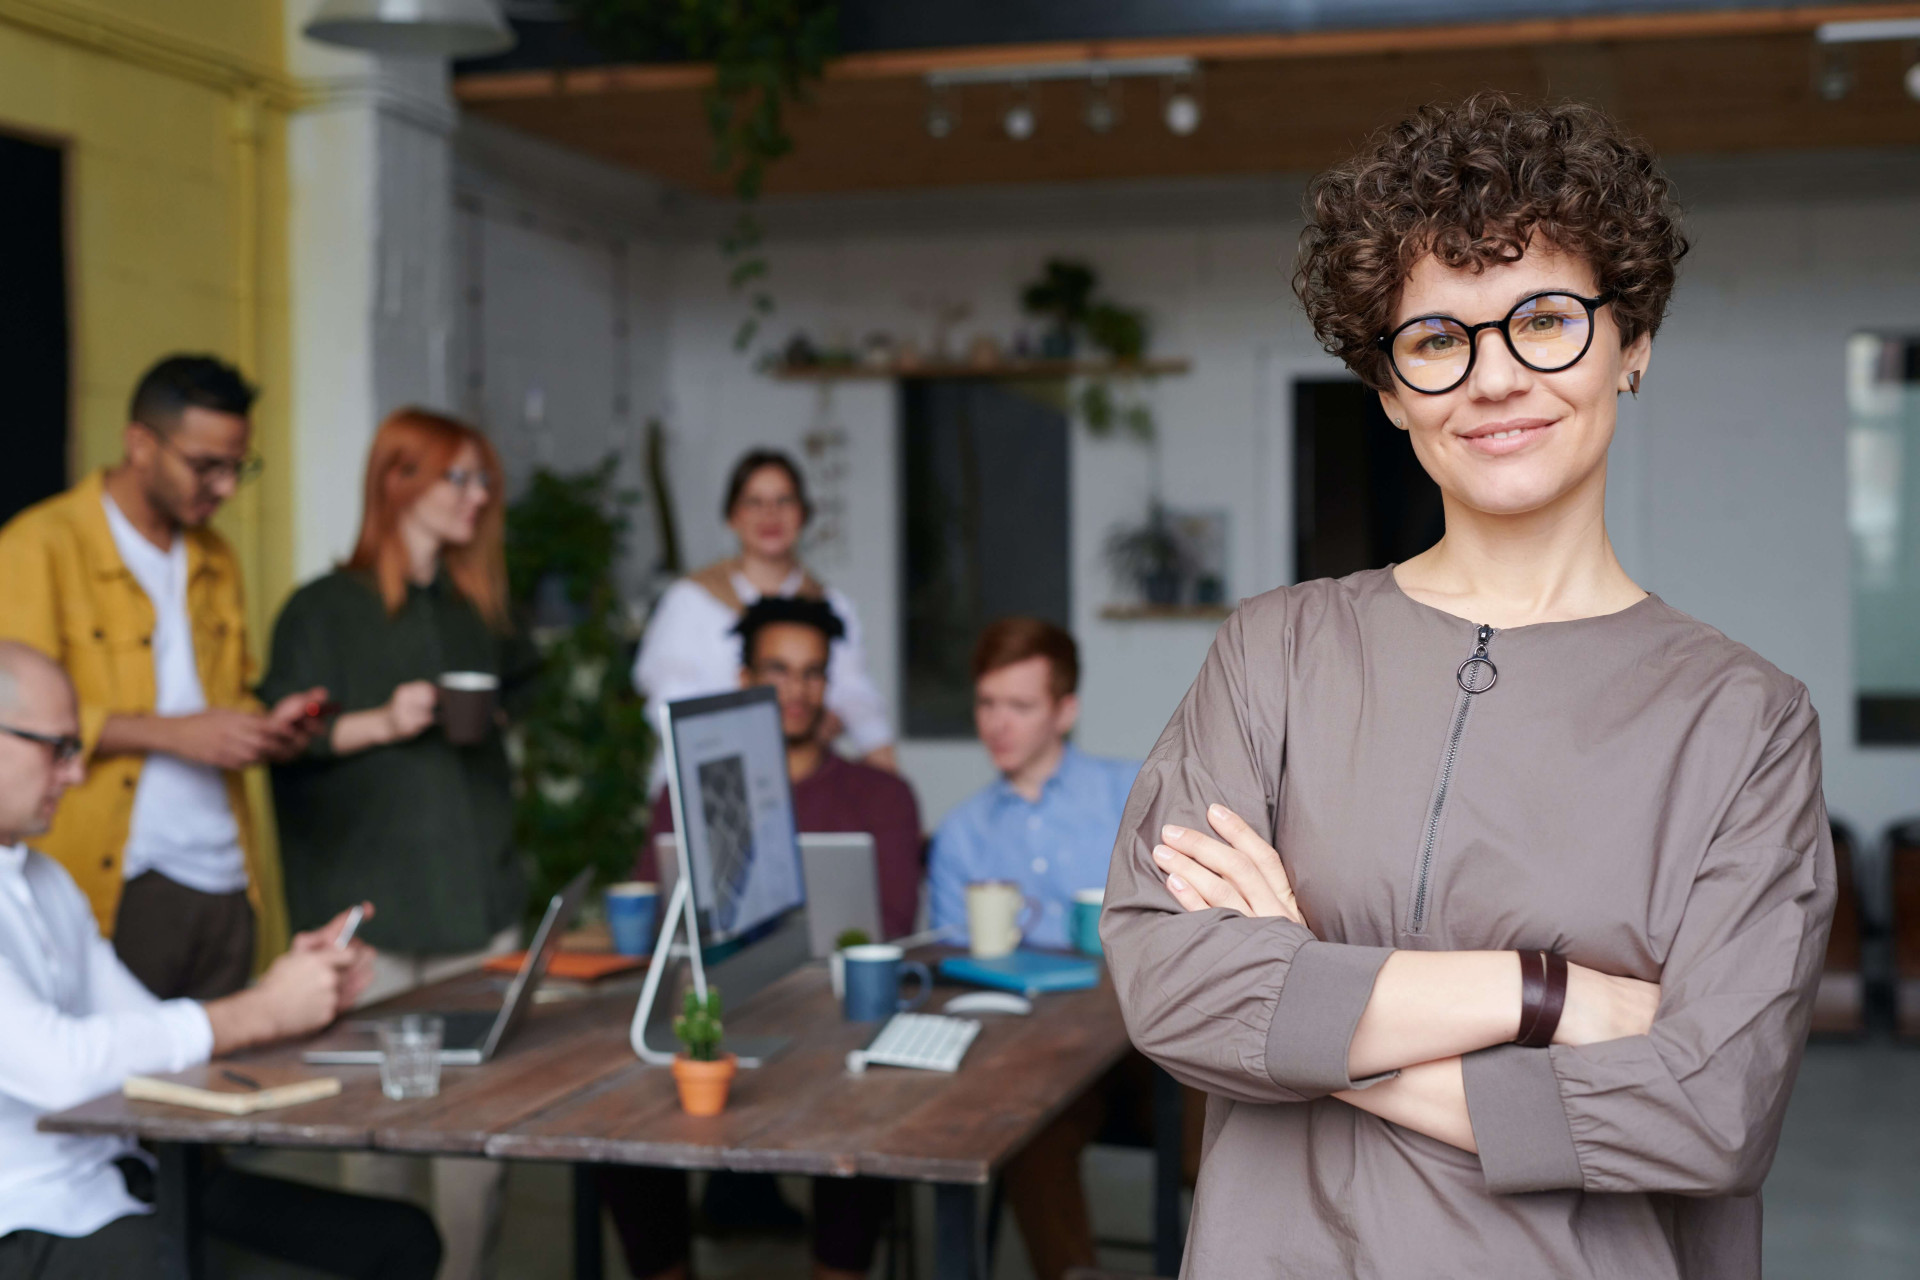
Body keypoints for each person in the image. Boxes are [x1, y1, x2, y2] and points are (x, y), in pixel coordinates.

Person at [1104, 94, 1834, 1280]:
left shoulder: (1743, 720)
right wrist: (1547, 997)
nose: (1494, 378)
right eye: (1439, 338)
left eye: (1544, 319)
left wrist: (1310, 999)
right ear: (1391, 387)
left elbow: (1709, 1109)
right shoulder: (1273, 654)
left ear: (1632, 342)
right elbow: (1176, 989)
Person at [0, 641, 442, 1280]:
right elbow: (61, 1070)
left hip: (126, 1183)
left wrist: (287, 991)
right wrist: (262, 1011)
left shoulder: (46, 879)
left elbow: (153, 1028)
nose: (76, 772)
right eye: (59, 748)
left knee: (401, 1239)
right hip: (30, 1221)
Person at [258, 407, 535, 1280]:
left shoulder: (473, 609)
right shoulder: (321, 609)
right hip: (370, 912)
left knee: (476, 1151)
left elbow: (509, 713)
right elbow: (279, 742)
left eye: (484, 479)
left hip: (477, 904)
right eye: (459, 477)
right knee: (375, 1150)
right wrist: (377, 722)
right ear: (397, 481)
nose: (479, 496)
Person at [602, 595, 923, 1280]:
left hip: (832, 1019)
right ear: (745, 681)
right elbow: (661, 915)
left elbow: (892, 924)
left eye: (812, 672)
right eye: (777, 670)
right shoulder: (684, 793)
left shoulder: (881, 795)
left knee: (867, 1101)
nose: (796, 690)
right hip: (719, 1007)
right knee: (621, 1115)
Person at [0, 354, 326, 1001]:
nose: (227, 487)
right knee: (126, 1088)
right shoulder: (39, 546)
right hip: (121, 877)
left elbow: (222, 696)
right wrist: (177, 735)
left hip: (227, 874)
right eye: (207, 466)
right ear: (140, 445)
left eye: (239, 467)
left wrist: (265, 731)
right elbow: (17, 721)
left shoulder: (216, 557)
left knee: (230, 1080)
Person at [927, 617, 1190, 1280]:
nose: (998, 724)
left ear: (1065, 710)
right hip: (1042, 1058)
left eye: (1019, 706)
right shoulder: (961, 835)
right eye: (987, 704)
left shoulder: (1131, 792)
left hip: (1145, 1044)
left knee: (1218, 1081)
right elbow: (949, 970)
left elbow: (1188, 912)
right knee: (1021, 1115)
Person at [634, 448, 894, 775]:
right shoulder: (690, 599)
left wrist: (879, 756)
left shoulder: (829, 606)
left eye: (784, 501)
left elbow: (856, 697)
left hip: (799, 780)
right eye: (754, 502)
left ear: (803, 514)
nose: (770, 514)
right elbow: (667, 702)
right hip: (702, 774)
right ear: (733, 516)